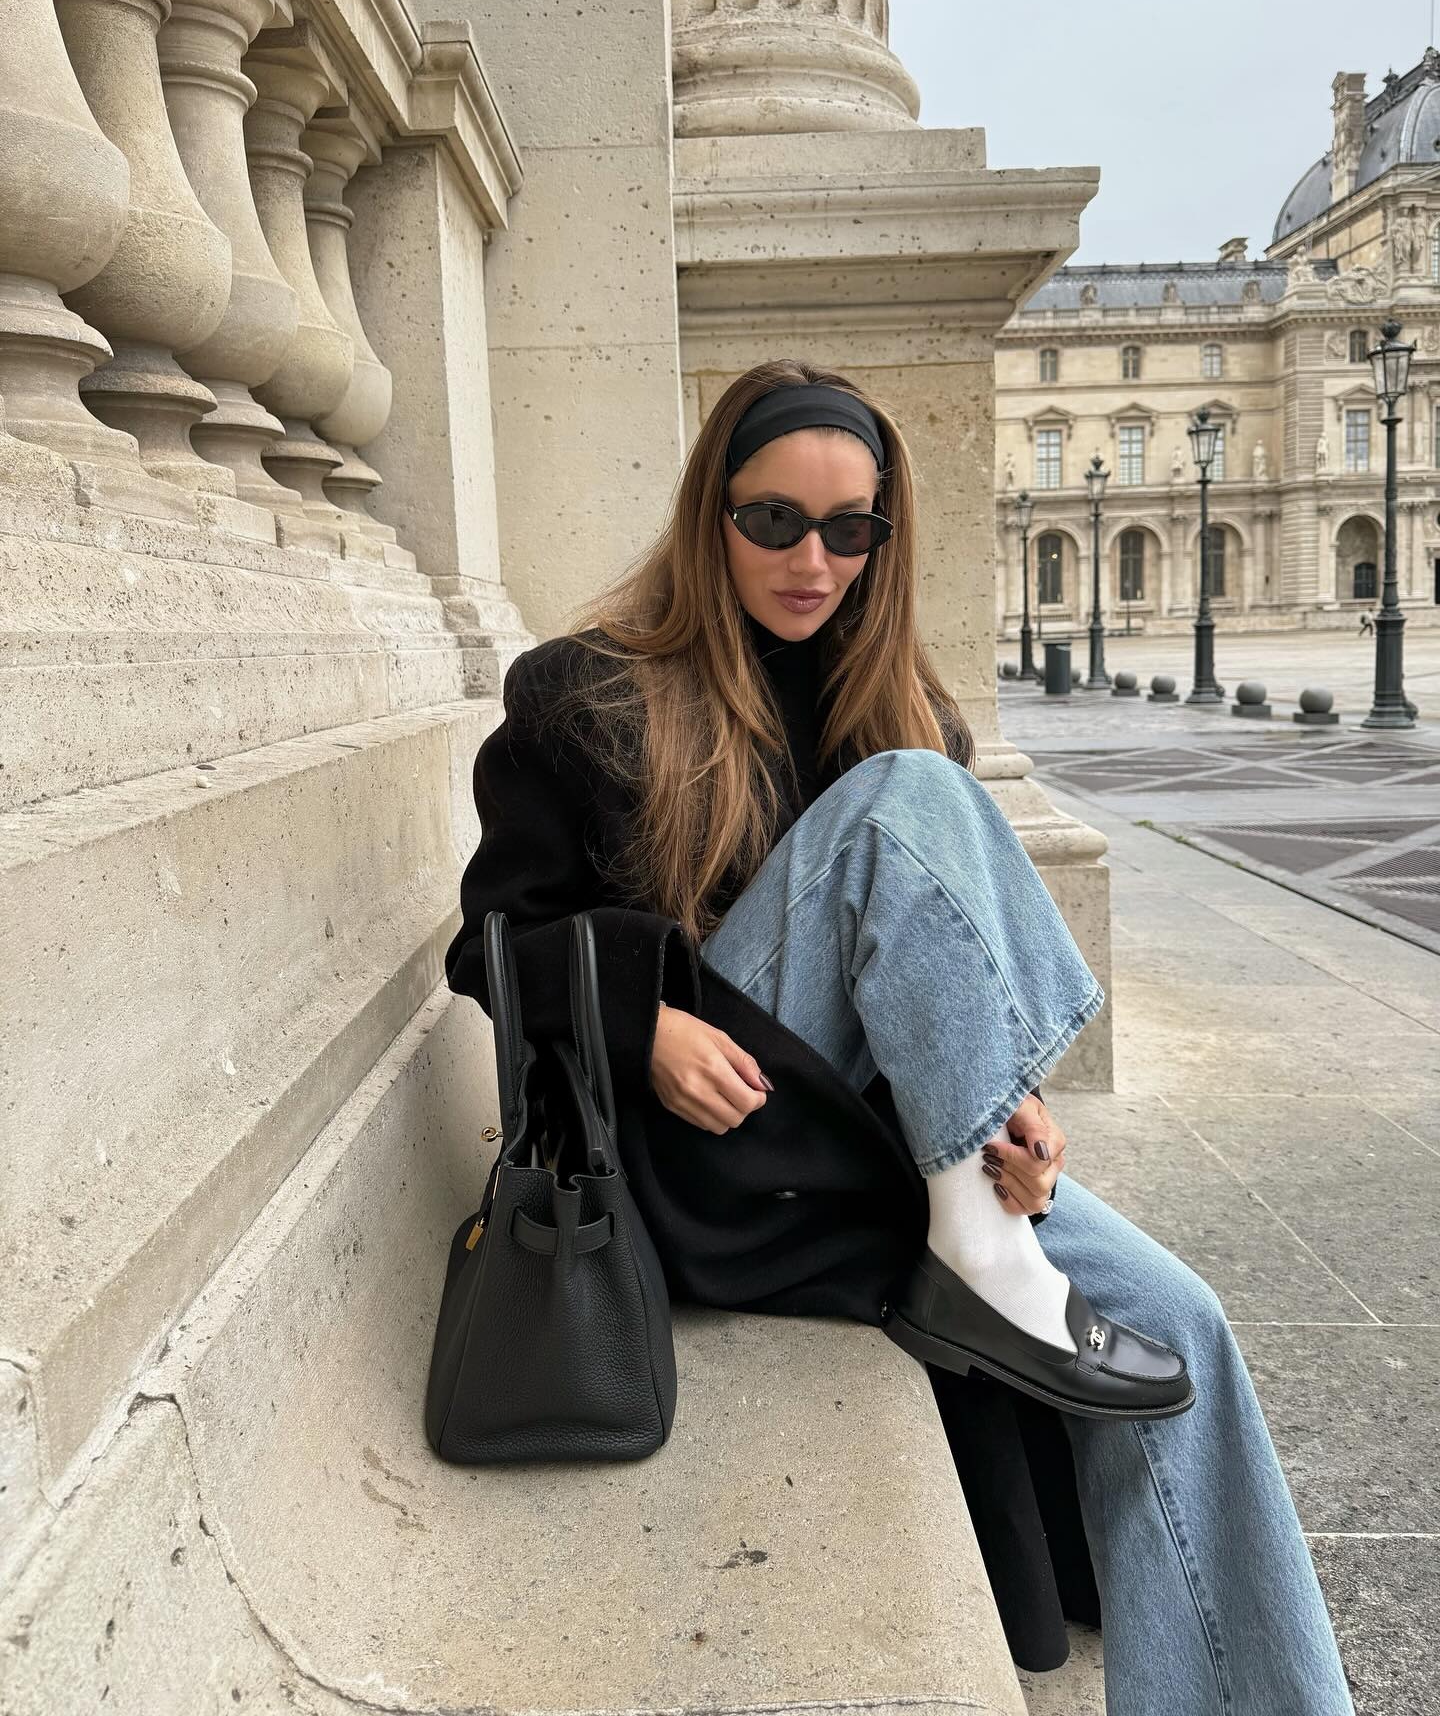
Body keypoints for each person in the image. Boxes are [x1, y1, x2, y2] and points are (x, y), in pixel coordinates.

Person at [444, 359, 1355, 1716]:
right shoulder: (588, 691)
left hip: (879, 1158)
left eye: (850, 530)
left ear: (885, 535)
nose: (814, 561)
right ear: (712, 518)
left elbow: (932, 973)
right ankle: (984, 1261)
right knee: (904, 802)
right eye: (774, 523)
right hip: (712, 1156)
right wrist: (641, 1027)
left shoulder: (900, 702)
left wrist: (1010, 1114)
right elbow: (489, 941)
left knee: (1185, 1326)